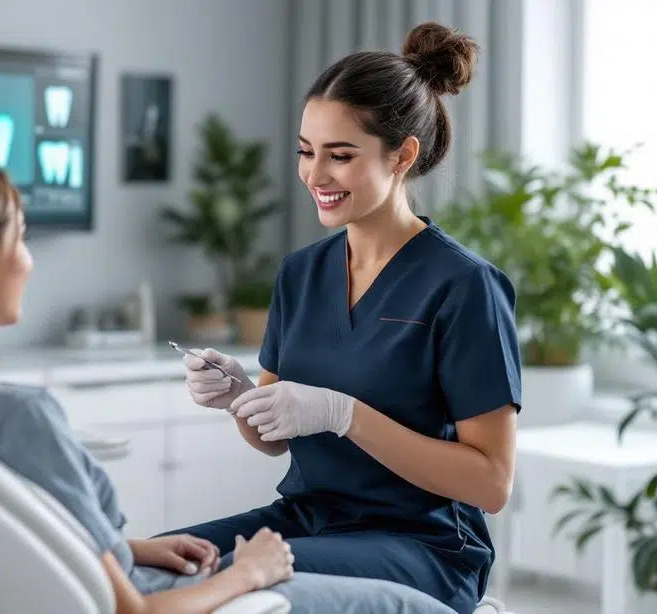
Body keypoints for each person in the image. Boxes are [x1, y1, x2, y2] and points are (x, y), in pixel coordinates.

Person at [0, 147, 458, 614]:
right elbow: (127, 611)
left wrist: (126, 548)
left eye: (337, 154)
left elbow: (17, 541)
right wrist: (246, 575)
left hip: (135, 573)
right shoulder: (16, 418)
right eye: (22, 239)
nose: (27, 260)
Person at [163, 22, 521, 614]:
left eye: (341, 156)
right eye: (306, 151)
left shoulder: (464, 286)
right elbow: (274, 444)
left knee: (233, 585)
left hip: (424, 545)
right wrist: (239, 398)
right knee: (156, 564)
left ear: (403, 154)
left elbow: (491, 483)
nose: (315, 175)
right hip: (310, 518)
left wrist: (343, 414)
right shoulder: (301, 274)